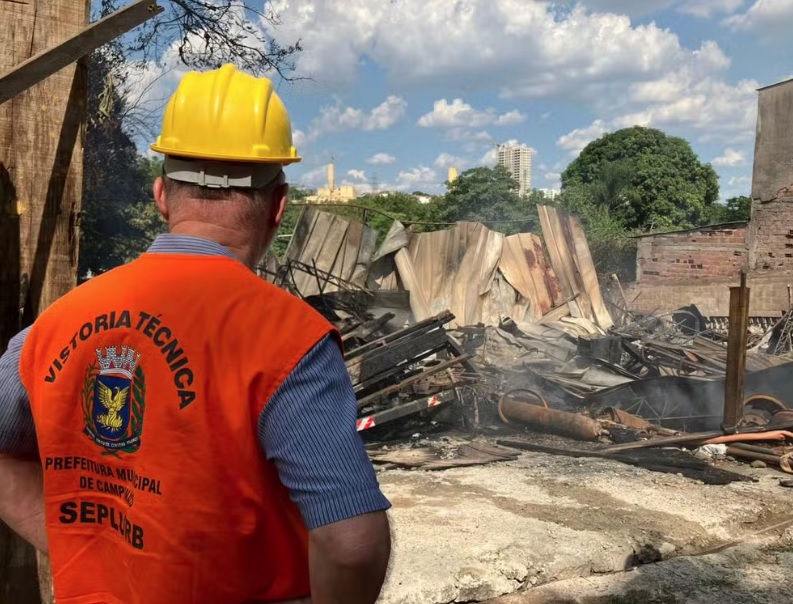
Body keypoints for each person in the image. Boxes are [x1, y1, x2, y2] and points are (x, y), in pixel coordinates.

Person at [0, 64, 392, 604]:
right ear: (279, 206)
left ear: (161, 194)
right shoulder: (289, 338)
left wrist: (76, 546)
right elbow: (350, 544)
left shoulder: (56, 325)